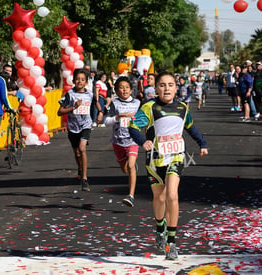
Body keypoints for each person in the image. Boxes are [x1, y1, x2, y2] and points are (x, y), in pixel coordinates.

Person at [129, 71, 208, 260]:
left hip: (176, 157)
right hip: (155, 160)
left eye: (170, 85)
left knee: (173, 194)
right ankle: (159, 227)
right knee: (159, 197)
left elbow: (190, 127)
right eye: (162, 85)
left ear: (176, 87)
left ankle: (171, 243)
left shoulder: (182, 107)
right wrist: (142, 141)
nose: (166, 89)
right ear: (155, 88)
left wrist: (202, 143)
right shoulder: (149, 107)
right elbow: (132, 127)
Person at [58, 68, 102, 191]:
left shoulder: (89, 94)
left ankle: (84, 179)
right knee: (77, 153)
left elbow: (96, 103)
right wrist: (73, 107)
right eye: (77, 79)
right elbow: (60, 112)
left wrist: (100, 112)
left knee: (82, 148)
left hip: (86, 125)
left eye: (82, 80)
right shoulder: (69, 94)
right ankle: (80, 169)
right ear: (73, 80)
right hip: (73, 127)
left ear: (86, 82)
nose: (79, 82)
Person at [105, 76, 141, 207]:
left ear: (131, 90)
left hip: (132, 140)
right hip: (118, 141)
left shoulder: (137, 103)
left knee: (131, 166)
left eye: (127, 88)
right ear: (116, 90)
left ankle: (130, 196)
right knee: (125, 169)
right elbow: (106, 122)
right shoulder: (115, 103)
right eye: (121, 88)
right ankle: (131, 167)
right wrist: (119, 116)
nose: (124, 90)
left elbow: (143, 119)